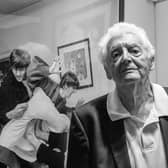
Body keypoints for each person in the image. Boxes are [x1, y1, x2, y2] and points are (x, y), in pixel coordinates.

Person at [67, 22, 168, 168]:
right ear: (107, 70)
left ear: (151, 61)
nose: (126, 58)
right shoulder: (87, 121)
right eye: (116, 54)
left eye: (134, 51)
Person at [0, 55, 80, 168]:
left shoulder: (62, 103)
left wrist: (76, 109)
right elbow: (32, 73)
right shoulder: (52, 82)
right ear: (66, 85)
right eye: (73, 91)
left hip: (33, 131)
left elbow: (61, 115)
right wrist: (49, 71)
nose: (72, 94)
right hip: (22, 122)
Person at [0, 48, 31, 168]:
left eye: (22, 69)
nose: (18, 73)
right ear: (11, 67)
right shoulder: (3, 88)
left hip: (22, 138)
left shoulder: (23, 87)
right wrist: (10, 114)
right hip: (7, 144)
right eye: (15, 69)